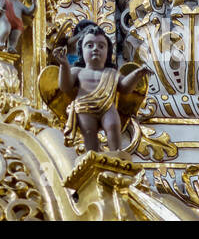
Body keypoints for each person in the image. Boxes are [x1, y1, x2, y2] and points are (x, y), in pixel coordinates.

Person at [51, 25, 149, 153]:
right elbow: (65, 87)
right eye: (90, 45)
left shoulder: (111, 73)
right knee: (88, 131)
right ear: (81, 50)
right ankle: (92, 155)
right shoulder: (77, 71)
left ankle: (116, 153)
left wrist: (137, 74)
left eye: (101, 46)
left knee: (113, 125)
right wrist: (64, 65)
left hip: (107, 106)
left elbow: (125, 88)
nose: (95, 49)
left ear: (108, 52)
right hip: (84, 107)